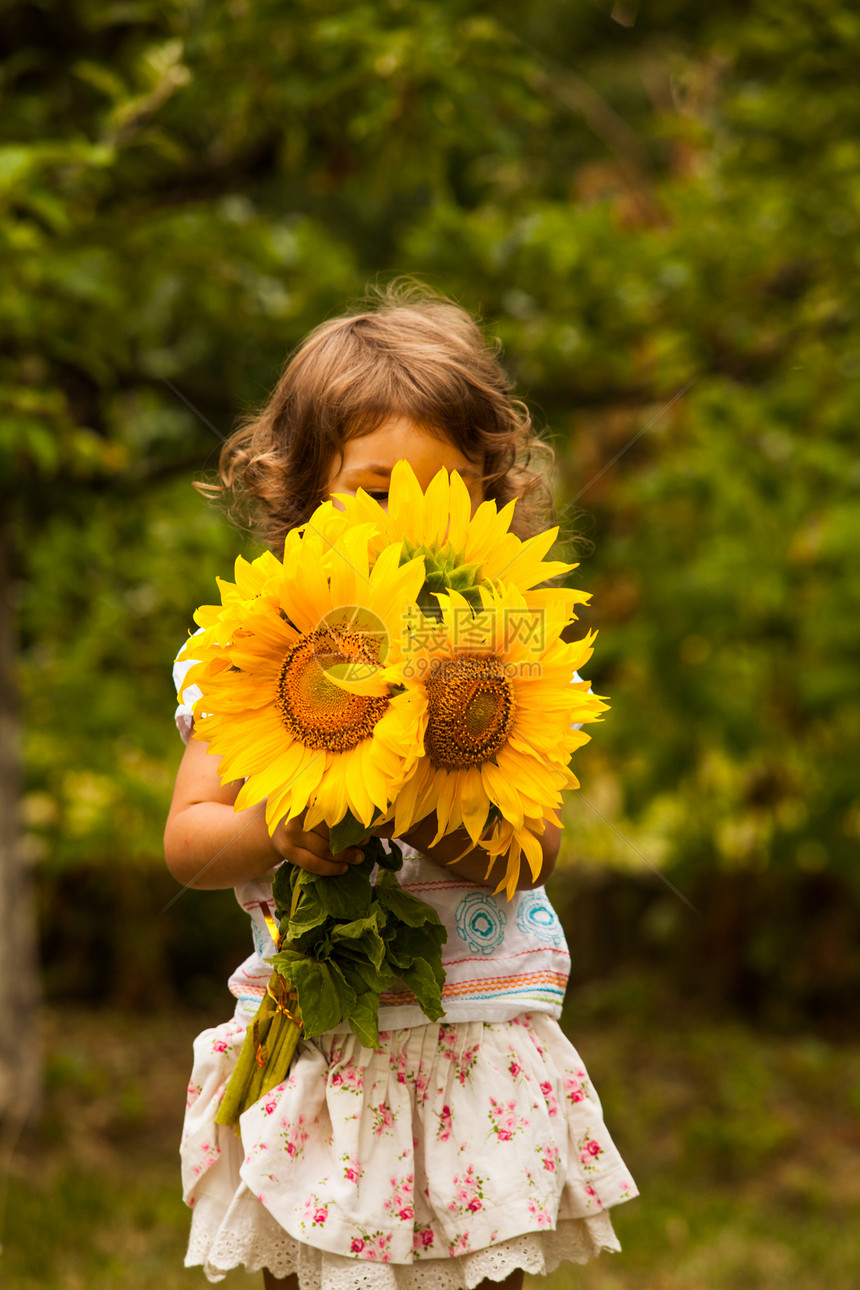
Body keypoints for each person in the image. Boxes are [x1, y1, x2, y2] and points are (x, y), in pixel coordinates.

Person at [164, 283, 638, 1289]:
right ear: (296, 488)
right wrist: (279, 828)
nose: (406, 529)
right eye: (373, 492)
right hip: (316, 1043)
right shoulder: (253, 648)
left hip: (475, 1040)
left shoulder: (504, 652)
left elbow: (534, 848)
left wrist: (431, 791)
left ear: (487, 495)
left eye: (444, 494)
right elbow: (189, 840)